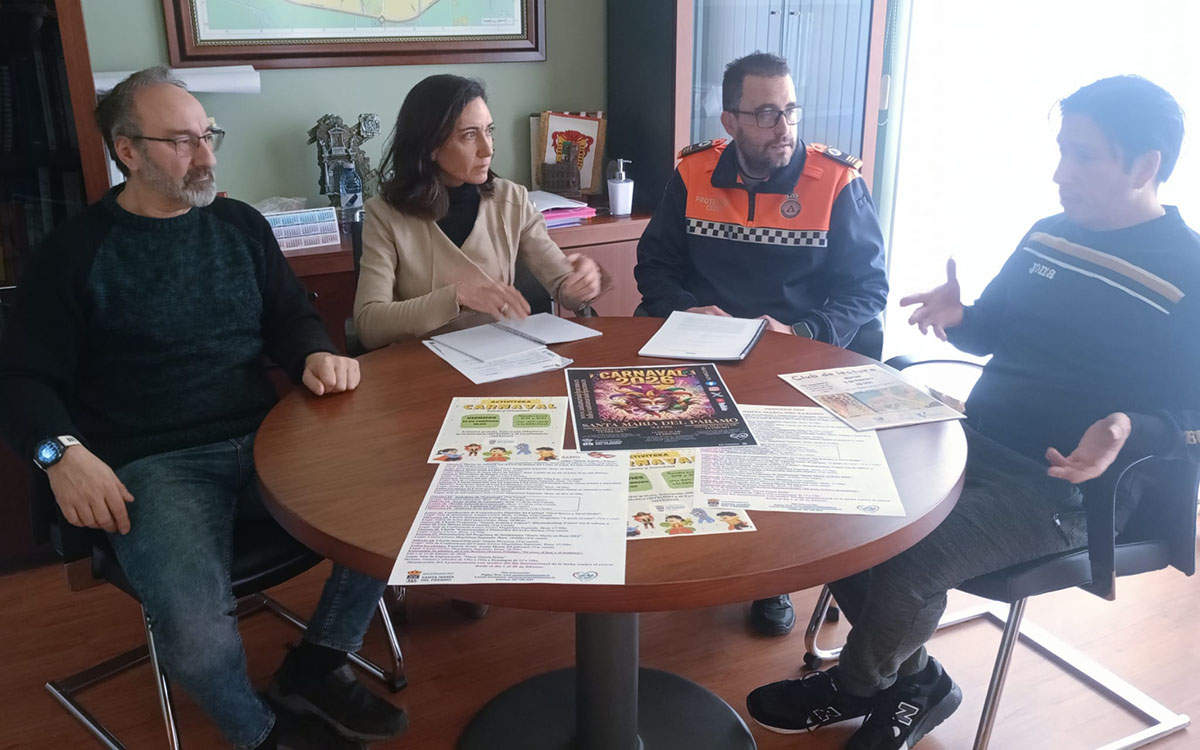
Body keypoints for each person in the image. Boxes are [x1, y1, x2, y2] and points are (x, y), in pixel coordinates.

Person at [746, 75, 1200, 750]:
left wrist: (1129, 426)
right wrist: (961, 318)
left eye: (1082, 155)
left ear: (1145, 166)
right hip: (972, 439)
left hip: (1067, 486)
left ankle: (860, 685)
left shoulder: (1188, 273)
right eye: (1062, 151)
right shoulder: (1050, 236)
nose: (1060, 173)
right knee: (835, 511)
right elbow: (994, 330)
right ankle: (918, 682)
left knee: (913, 557)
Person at [0, 67, 407, 750]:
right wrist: (58, 455)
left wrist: (313, 352)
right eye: (181, 142)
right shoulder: (73, 254)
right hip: (156, 465)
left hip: (268, 438)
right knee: (195, 636)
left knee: (396, 504)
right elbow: (20, 381)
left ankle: (315, 665)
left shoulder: (240, 225)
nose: (207, 157)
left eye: (208, 135)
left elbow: (290, 318)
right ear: (128, 151)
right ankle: (259, 733)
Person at [635, 51, 889, 637]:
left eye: (791, 110)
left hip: (795, 353)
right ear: (730, 121)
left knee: (770, 447)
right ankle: (682, 539)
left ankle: (770, 576)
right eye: (766, 114)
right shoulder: (694, 172)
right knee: (647, 416)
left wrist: (802, 333)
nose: (784, 128)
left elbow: (868, 289)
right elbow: (655, 264)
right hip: (704, 345)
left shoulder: (836, 181)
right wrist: (686, 310)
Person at [353, 74, 606, 348]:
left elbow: (564, 286)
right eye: (470, 135)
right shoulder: (384, 215)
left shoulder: (512, 199)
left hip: (502, 358)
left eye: (489, 131)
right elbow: (369, 324)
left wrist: (582, 283)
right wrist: (457, 296)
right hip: (422, 365)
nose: (488, 150)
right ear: (431, 147)